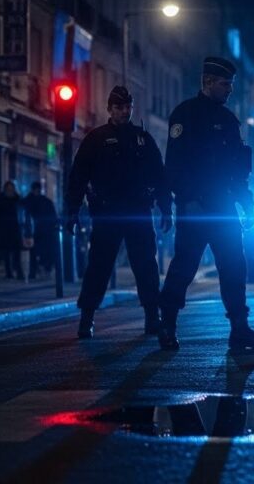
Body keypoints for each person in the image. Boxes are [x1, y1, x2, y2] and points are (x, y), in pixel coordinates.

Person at [158, 57, 254, 351]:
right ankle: (167, 324)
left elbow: (238, 170)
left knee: (234, 266)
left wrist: (247, 204)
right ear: (208, 82)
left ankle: (240, 329)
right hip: (195, 208)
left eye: (232, 84)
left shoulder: (229, 120)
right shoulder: (185, 114)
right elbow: (174, 166)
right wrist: (186, 200)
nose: (230, 90)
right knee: (184, 268)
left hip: (223, 207)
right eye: (225, 84)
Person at [66, 86, 173, 339]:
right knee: (99, 267)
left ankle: (151, 317)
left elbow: (159, 176)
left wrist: (166, 207)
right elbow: (78, 176)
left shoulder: (142, 139)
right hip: (107, 213)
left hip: (138, 212)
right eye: (119, 107)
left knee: (146, 265)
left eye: (128, 107)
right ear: (110, 109)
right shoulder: (96, 138)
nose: (125, 111)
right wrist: (72, 211)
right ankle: (87, 318)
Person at [22, 181, 58, 278]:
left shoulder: (28, 201)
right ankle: (39, 270)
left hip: (40, 231)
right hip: (40, 231)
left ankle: (38, 270)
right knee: (38, 251)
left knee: (38, 251)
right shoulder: (44, 201)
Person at [0, 181, 24, 279]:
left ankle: (18, 271)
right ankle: (9, 272)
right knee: (6, 252)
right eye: (8, 188)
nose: (10, 190)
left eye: (11, 188)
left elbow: (23, 212)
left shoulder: (18, 199)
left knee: (16, 252)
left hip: (15, 228)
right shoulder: (0, 200)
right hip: (4, 229)